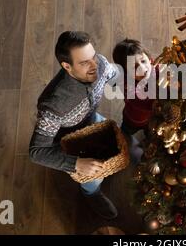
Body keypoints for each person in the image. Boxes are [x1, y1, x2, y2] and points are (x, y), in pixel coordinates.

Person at [29, 31, 119, 220]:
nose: (94, 65)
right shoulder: (53, 106)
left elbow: (115, 75)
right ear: (67, 66)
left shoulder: (100, 64)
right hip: (66, 140)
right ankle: (91, 193)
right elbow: (36, 151)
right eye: (84, 62)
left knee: (116, 138)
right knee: (93, 174)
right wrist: (75, 163)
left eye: (93, 56)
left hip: (90, 120)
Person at [112, 39, 156, 164]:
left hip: (152, 119)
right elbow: (143, 103)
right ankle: (123, 136)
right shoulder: (127, 85)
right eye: (134, 67)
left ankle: (149, 140)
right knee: (126, 132)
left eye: (143, 61)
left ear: (149, 58)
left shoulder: (153, 68)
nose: (142, 68)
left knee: (151, 133)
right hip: (133, 119)